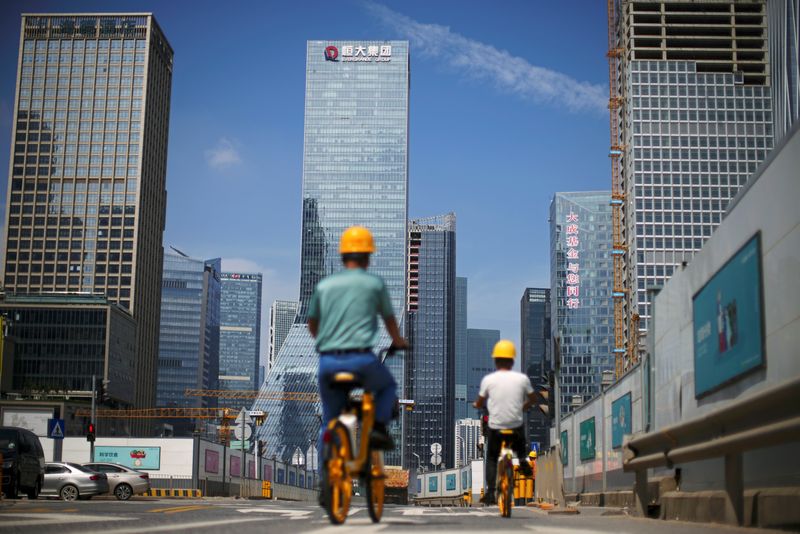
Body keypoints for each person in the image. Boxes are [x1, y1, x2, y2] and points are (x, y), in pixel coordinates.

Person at [309, 225, 408, 455]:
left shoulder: (324, 286)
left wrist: (323, 341)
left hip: (329, 362)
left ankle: (327, 485)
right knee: (387, 387)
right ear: (367, 257)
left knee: (329, 421)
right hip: (361, 360)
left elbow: (312, 324)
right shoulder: (374, 284)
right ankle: (377, 429)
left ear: (343, 255)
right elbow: (390, 320)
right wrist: (398, 340)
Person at [473, 339, 536, 505]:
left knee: (492, 458)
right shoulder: (522, 379)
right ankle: (522, 460)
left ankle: (491, 492)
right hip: (515, 426)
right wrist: (523, 407)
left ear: (495, 360)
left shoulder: (489, 380)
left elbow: (480, 402)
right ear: (513, 360)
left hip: (496, 428)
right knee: (520, 438)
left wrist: (477, 404)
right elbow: (533, 398)